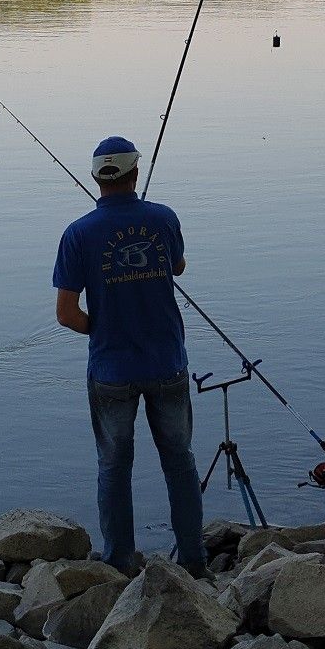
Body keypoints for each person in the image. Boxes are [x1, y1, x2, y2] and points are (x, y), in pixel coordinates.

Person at [52, 135, 206, 575]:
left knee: (114, 467)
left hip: (111, 370)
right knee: (179, 461)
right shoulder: (163, 218)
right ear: (135, 173)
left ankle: (119, 563)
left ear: (97, 178)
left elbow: (66, 315)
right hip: (168, 364)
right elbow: (176, 267)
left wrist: (102, 328)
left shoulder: (78, 234)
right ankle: (194, 562)